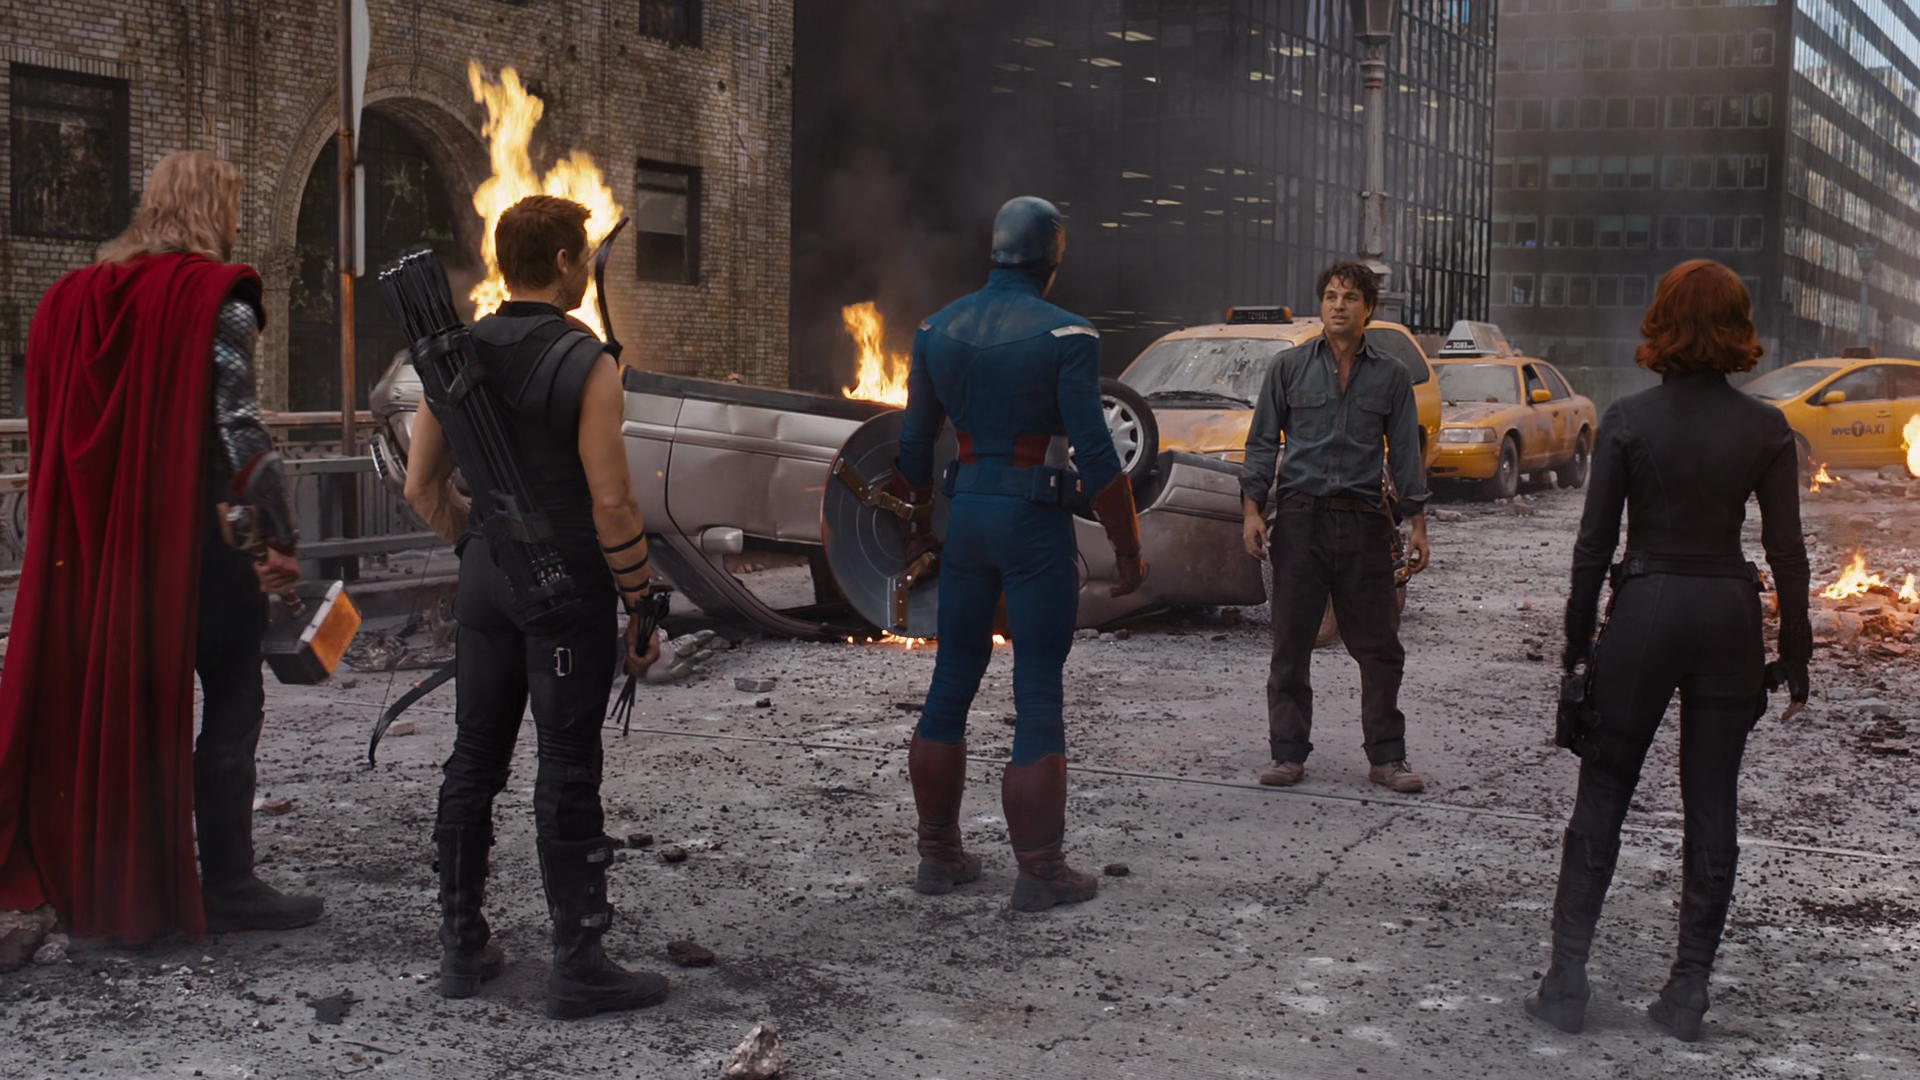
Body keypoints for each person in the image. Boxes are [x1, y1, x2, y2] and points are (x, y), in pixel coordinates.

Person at [0, 150, 318, 943]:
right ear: (215, 210)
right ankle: (230, 885)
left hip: (103, 557)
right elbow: (237, 432)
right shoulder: (218, 300)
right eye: (234, 204)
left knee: (128, 705)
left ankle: (116, 877)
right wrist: (277, 536)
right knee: (234, 700)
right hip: (199, 553)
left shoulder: (72, 299)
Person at [1525, 259, 1810, 1042]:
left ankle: (1566, 983)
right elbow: (1787, 552)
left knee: (1603, 794)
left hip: (1647, 608)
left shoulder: (1626, 419)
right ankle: (1686, 994)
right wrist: (1796, 653)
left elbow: (1593, 548)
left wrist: (1577, 649)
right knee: (1713, 804)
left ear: (1663, 322)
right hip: (1727, 614)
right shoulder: (1767, 429)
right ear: (1738, 327)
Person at [404, 194, 669, 1019]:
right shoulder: (589, 363)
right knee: (567, 766)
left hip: (487, 579)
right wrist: (641, 604)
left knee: (474, 758)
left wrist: (483, 551)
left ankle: (461, 948)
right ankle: (579, 964)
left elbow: (420, 488)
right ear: (562, 263)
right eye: (583, 254)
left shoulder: (454, 353)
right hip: (566, 593)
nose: (587, 267)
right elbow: (613, 505)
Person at [894, 196, 1147, 913]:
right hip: (1032, 522)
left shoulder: (935, 329)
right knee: (1036, 686)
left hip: (967, 518)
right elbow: (1096, 452)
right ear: (1052, 257)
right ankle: (1040, 870)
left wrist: (919, 526)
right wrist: (1128, 547)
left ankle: (938, 853)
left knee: (952, 676)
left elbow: (912, 444)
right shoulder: (1067, 333)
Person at [1240, 261, 1432, 794]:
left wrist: (1418, 523)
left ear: (1368, 308)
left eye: (1349, 297)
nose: (1338, 305)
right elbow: (1261, 443)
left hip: (1365, 522)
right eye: (1330, 296)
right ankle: (1287, 754)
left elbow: (1406, 454)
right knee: (1290, 643)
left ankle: (1387, 758)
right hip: (1300, 520)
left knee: (1380, 647)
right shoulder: (1288, 368)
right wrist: (1252, 511)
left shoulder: (1391, 376)